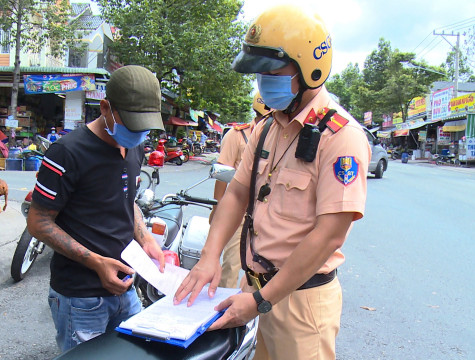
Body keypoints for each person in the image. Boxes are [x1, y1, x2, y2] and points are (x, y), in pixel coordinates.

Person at [174, 5, 371, 360]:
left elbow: (329, 234)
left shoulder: (341, 137)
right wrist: (209, 256)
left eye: (271, 71)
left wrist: (261, 301)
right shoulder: (268, 127)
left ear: (309, 67)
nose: (263, 83)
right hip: (257, 291)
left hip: (300, 300)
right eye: (258, 74)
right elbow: (236, 192)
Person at [27, 65, 166, 353]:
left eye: (144, 127)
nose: (138, 134)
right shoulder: (67, 152)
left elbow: (127, 203)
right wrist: (96, 262)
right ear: (105, 108)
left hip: (126, 288)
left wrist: (146, 239)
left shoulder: (135, 147)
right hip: (81, 298)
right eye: (131, 124)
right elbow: (38, 221)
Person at [209, 92, 267, 288]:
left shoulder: (279, 137)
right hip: (239, 213)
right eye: (260, 117)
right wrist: (217, 209)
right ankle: (223, 312)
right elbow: (222, 172)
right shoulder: (237, 136)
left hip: (265, 214)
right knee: (231, 266)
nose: (263, 121)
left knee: (261, 270)